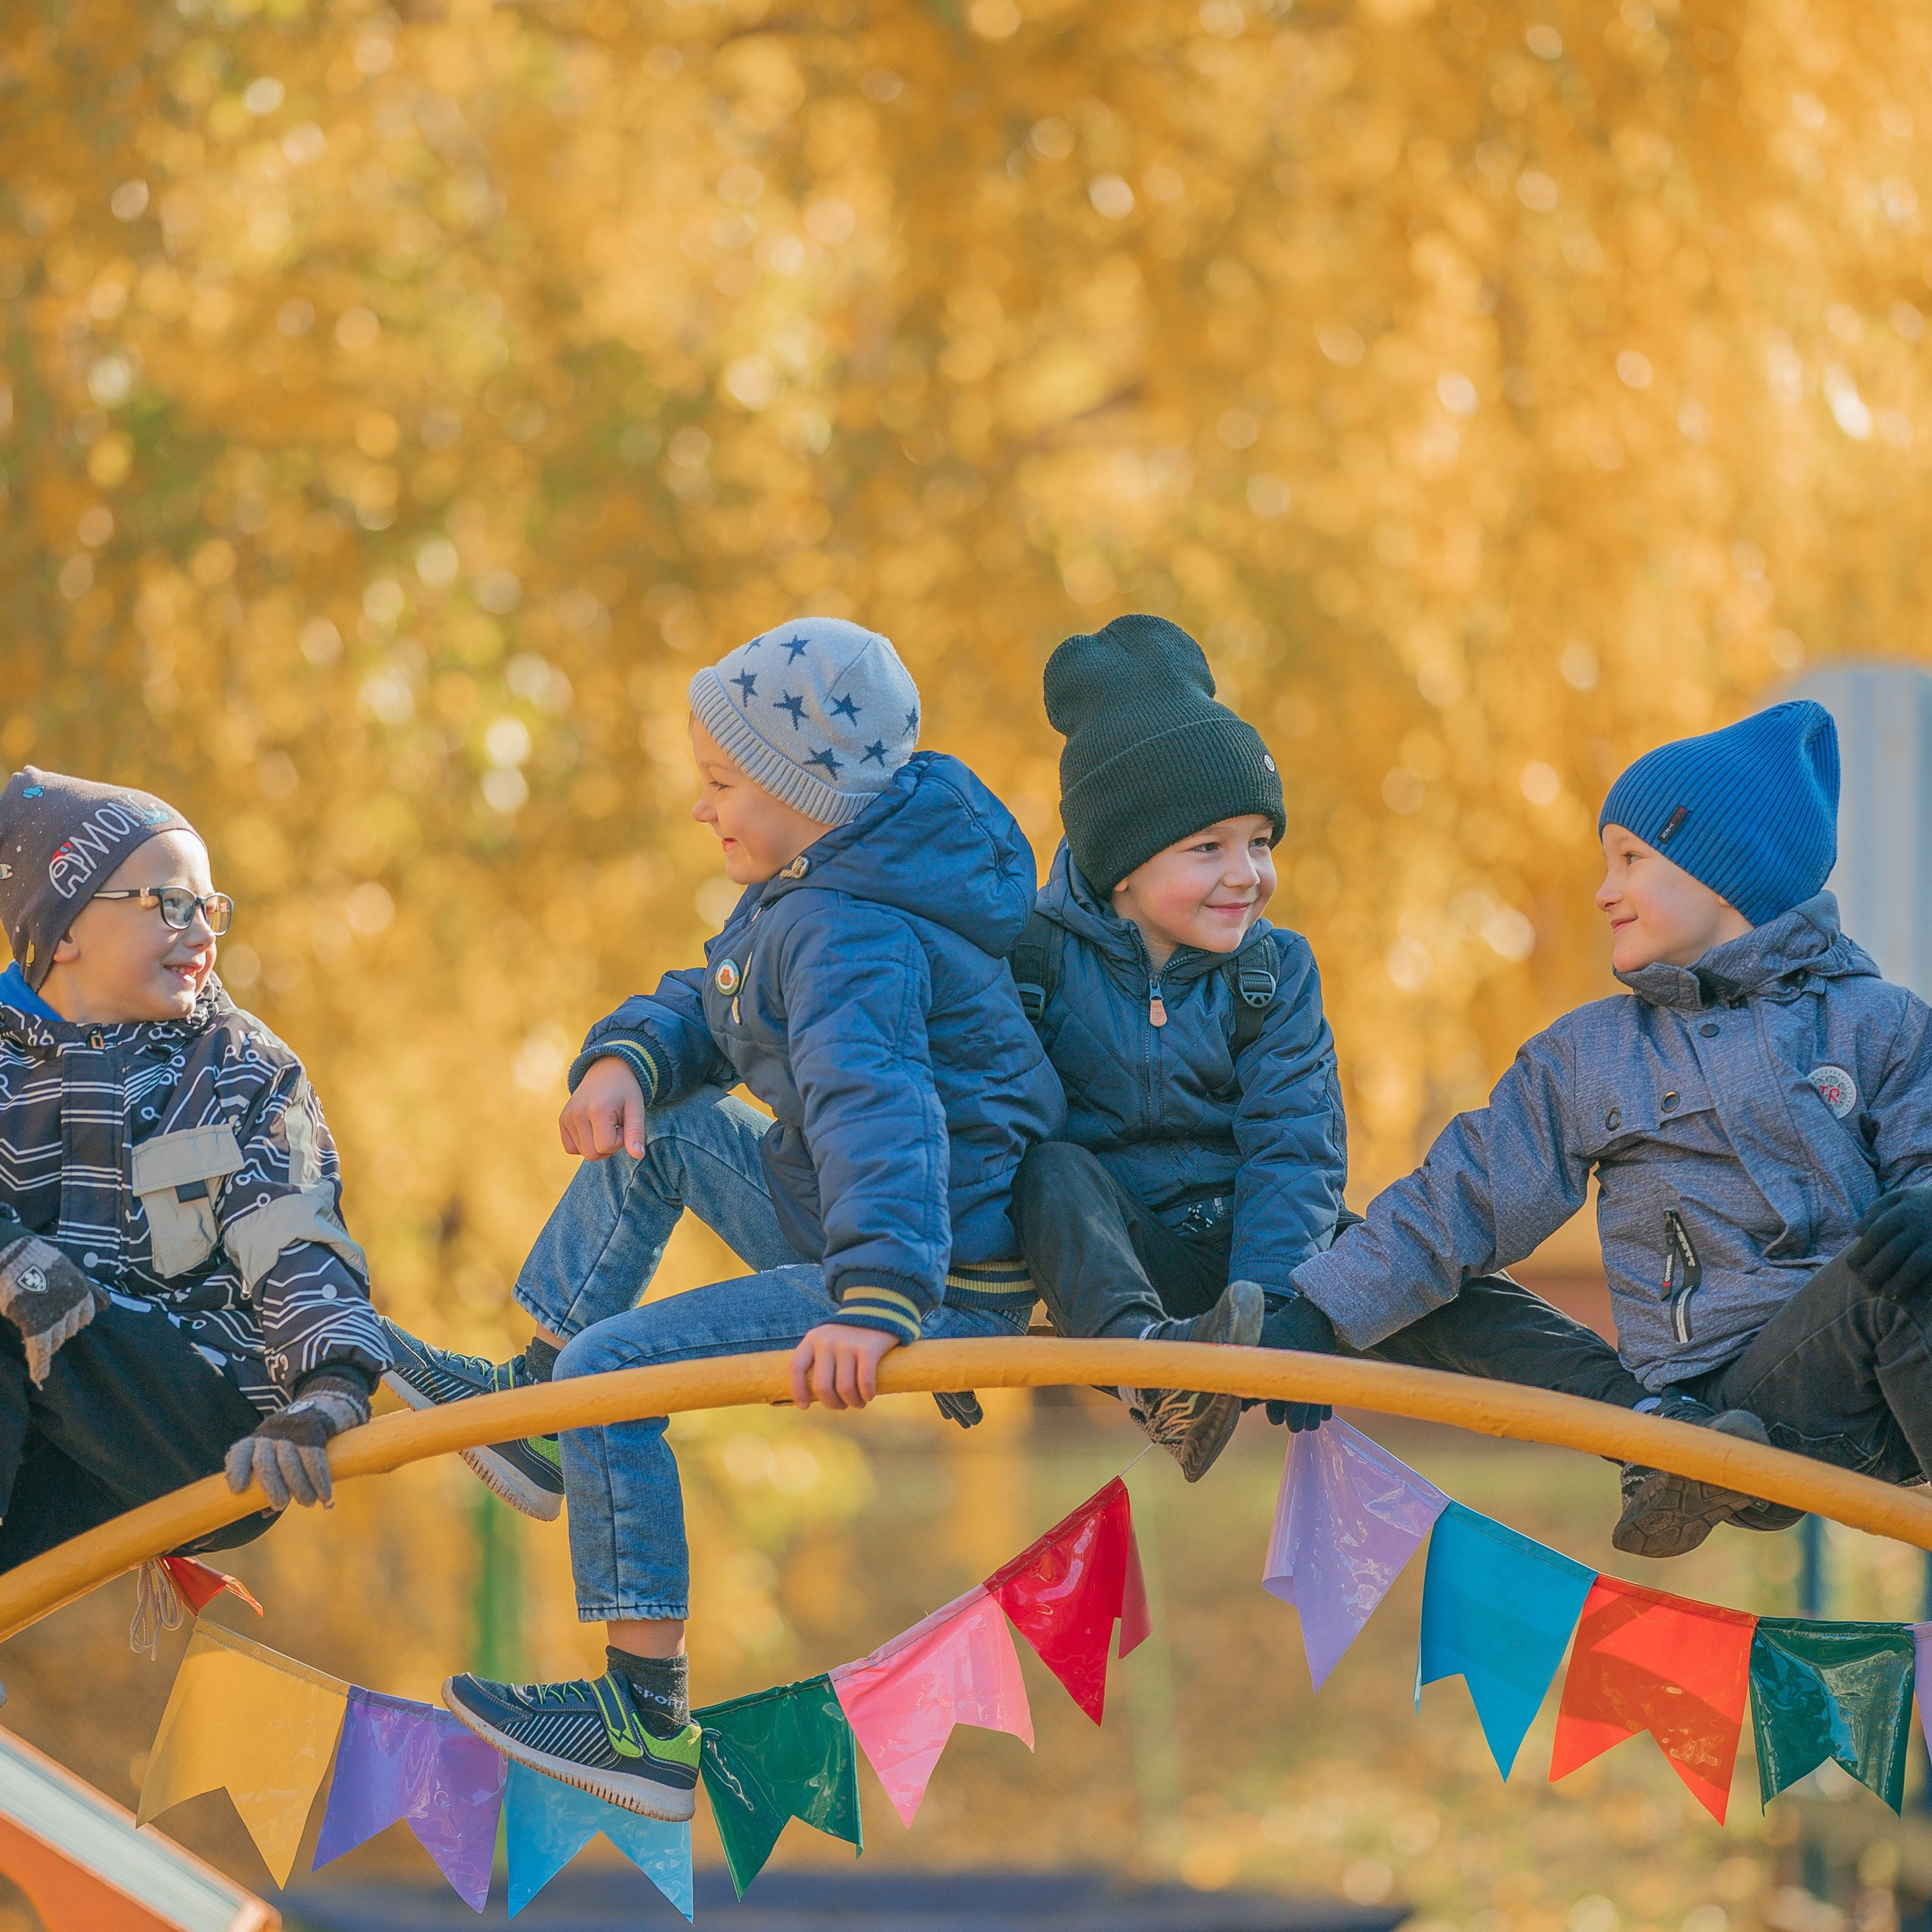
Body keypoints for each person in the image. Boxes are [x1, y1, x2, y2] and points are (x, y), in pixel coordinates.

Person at [401, 617, 1184, 1820]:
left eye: (722, 786)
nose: (702, 810)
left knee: (623, 1373)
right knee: (655, 1136)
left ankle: (641, 1717)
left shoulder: (846, 930)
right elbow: (715, 1006)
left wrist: (875, 1307)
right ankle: (540, 1407)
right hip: (867, 1229)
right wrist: (630, 1058)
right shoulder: (816, 892)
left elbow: (883, 1113)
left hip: (916, 1266)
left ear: (800, 792)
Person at [1009, 615, 1651, 1484]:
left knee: (1440, 1286)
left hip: (1264, 1242)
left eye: (1260, 842)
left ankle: (1643, 1421)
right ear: (1121, 863)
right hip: (1129, 1257)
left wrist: (1284, 1313)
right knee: (1048, 1171)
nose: (1247, 873)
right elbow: (986, 1119)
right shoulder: (1033, 962)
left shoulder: (1273, 972)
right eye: (1209, 848)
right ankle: (1155, 1377)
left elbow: (1294, 1143)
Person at [1293, 699, 1932, 1557]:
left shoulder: (1879, 1024)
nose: (1603, 891)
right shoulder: (1595, 1053)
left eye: (1630, 859)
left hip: (1881, 1385)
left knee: (1901, 1270)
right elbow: (1468, 1197)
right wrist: (1314, 1318)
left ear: (1723, 871)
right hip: (1732, 1398)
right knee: (1882, 1290)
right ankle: (1685, 1460)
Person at [0, 768, 390, 1576]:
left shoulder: (239, 1069)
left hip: (195, 1425)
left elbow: (293, 1230)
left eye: (210, 909)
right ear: (64, 930)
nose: (202, 933)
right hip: (34, 1444)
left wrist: (331, 1382)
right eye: (170, 905)